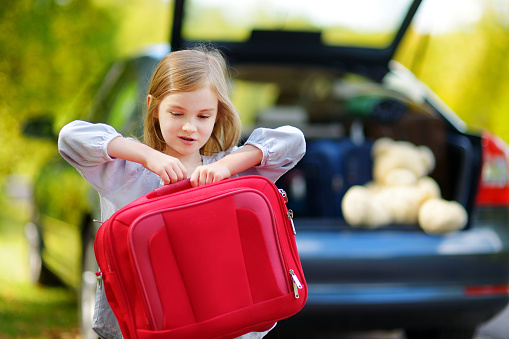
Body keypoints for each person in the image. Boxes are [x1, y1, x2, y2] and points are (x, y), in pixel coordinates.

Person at [58, 47, 306, 339]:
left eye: (204, 116)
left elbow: (294, 141)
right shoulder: (128, 173)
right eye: (177, 113)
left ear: (217, 115)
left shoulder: (230, 173)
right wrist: (147, 156)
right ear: (154, 107)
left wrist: (227, 166)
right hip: (152, 320)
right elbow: (70, 138)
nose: (190, 127)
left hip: (223, 318)